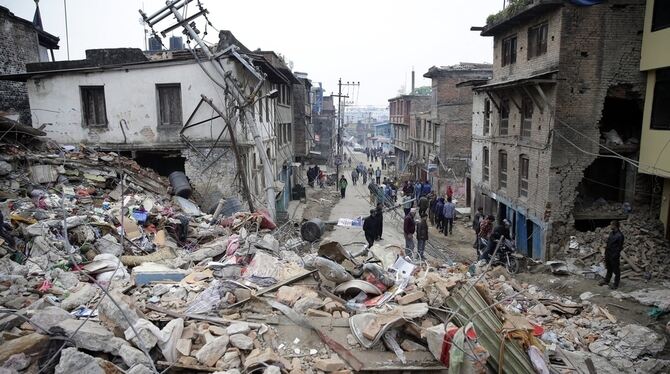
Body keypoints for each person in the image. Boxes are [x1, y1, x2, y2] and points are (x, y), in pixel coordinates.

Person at [599, 220, 624, 289]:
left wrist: (614, 256)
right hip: (608, 254)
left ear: (615, 226)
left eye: (611, 225)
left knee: (616, 271)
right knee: (609, 269)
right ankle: (606, 281)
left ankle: (616, 284)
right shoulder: (611, 233)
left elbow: (619, 248)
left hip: (614, 256)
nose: (610, 226)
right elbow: (609, 243)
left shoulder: (620, 236)